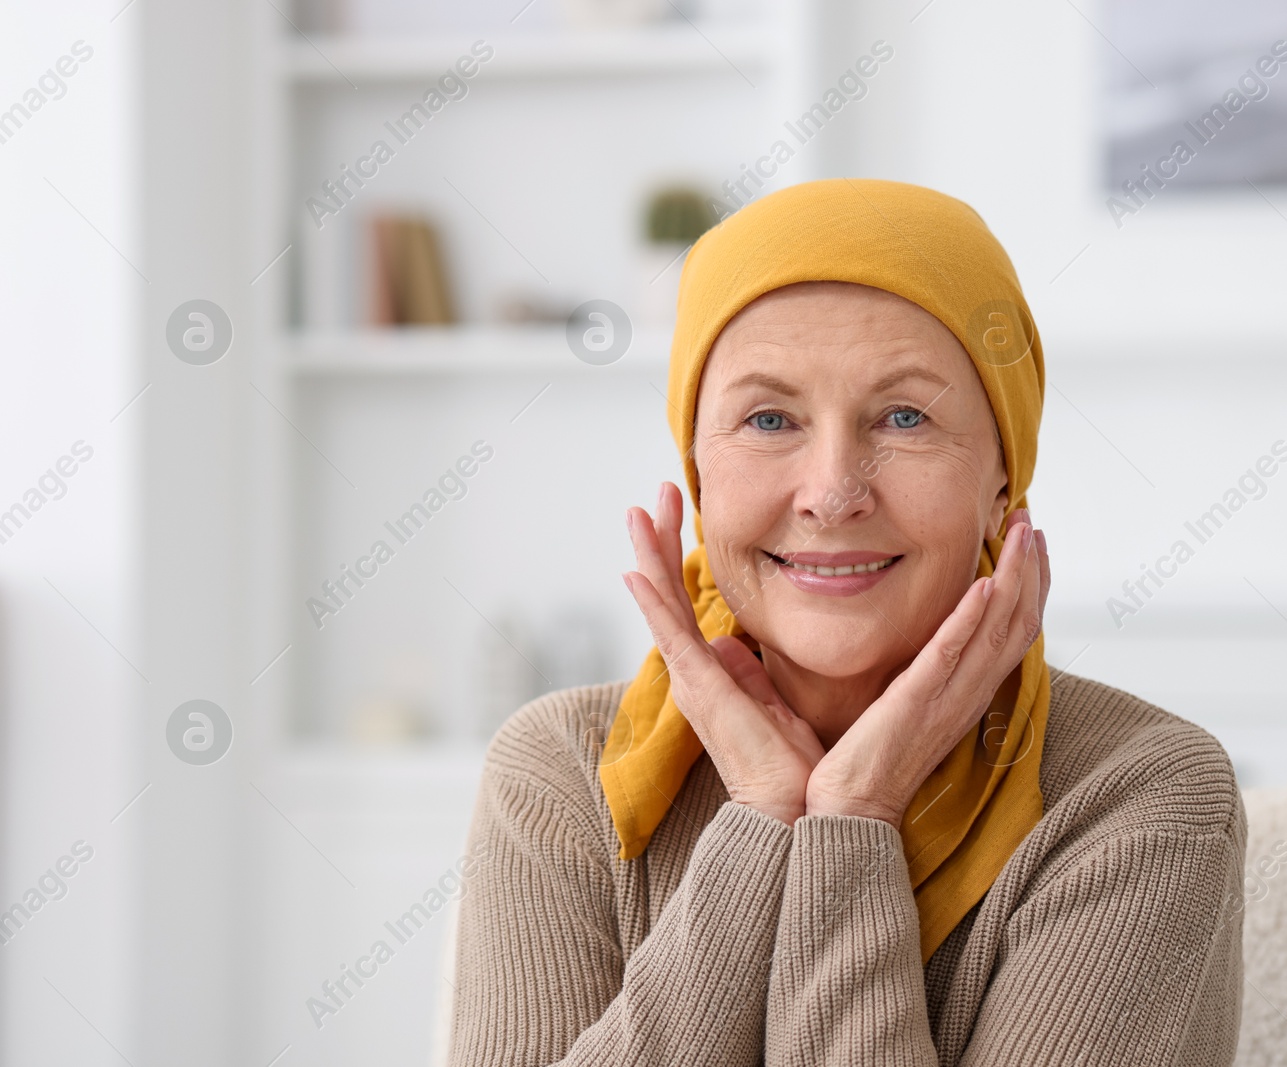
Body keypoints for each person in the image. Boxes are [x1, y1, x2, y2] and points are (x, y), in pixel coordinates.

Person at [448, 179, 1245, 1066]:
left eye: (905, 416)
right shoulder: (561, 774)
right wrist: (759, 821)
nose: (832, 492)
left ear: (1001, 484)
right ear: (699, 478)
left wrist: (853, 817)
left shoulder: (1139, 792)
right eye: (768, 418)